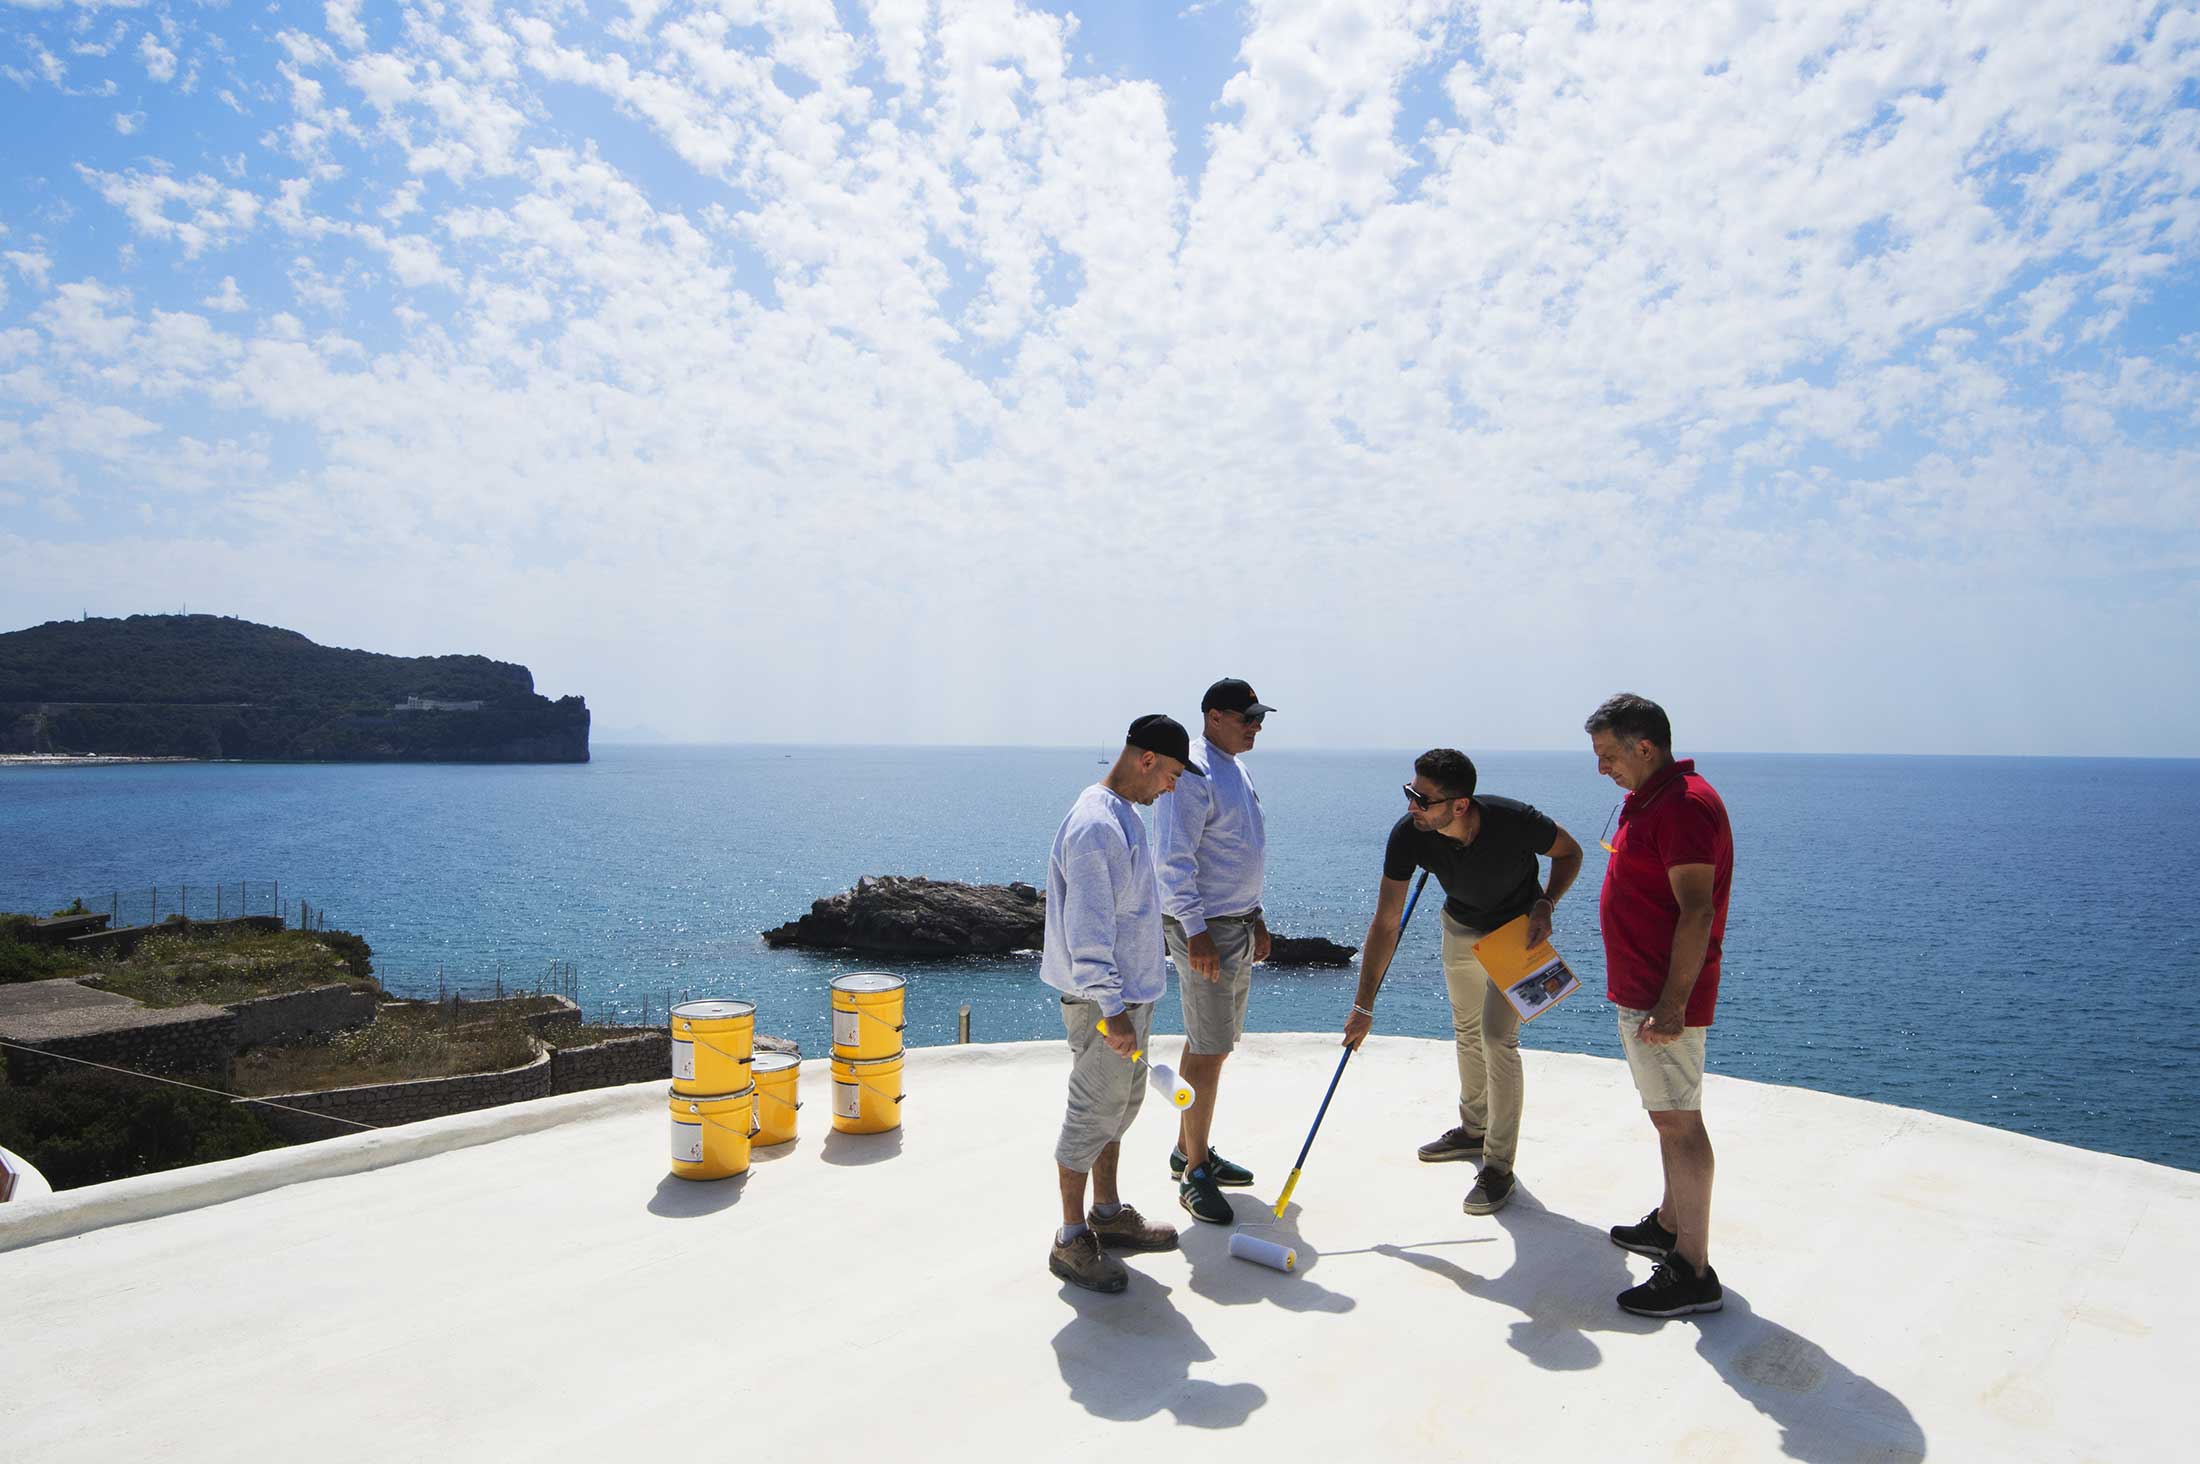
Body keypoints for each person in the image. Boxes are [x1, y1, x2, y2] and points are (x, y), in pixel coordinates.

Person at [1342, 749, 1583, 1216]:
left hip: (1517, 937)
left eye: (1422, 798)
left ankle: (1498, 1166)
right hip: (1459, 928)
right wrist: (1364, 1006)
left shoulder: (1515, 820)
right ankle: (1474, 1130)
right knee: (1467, 1031)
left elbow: (1570, 852)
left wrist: (1547, 903)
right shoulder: (1409, 834)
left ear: (1460, 805)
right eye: (1410, 792)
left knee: (1497, 1039)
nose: (1411, 805)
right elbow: (1386, 922)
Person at [1041, 714, 1205, 1293]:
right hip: (1103, 1004)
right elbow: (1086, 928)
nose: (1172, 787)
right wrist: (1112, 1010)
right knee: (1091, 1114)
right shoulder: (1096, 825)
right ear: (1147, 759)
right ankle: (1070, 1240)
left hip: (1126, 999)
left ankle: (1106, 1216)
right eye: (1172, 774)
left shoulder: (1123, 814)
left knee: (1117, 1109)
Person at [1586, 693, 1734, 1319]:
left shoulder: (1684, 806)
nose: (1602, 768)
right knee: (1666, 1117)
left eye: (1608, 755)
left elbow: (1697, 911)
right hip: (1643, 989)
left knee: (1679, 1124)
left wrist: (1672, 1006)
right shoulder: (1649, 799)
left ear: (1644, 747)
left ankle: (1693, 1270)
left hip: (1661, 997)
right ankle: (1671, 1225)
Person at [1152, 677, 1274, 1225]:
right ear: (1213, 716)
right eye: (1248, 718)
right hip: (1208, 930)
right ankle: (1195, 1172)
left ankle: (1188, 1149)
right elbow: (1172, 860)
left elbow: (1238, 852)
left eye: (1259, 718)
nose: (1256, 727)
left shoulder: (1234, 768)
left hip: (1234, 925)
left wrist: (1256, 917)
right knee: (1208, 1050)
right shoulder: (1194, 771)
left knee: (1210, 1046)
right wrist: (1195, 931)